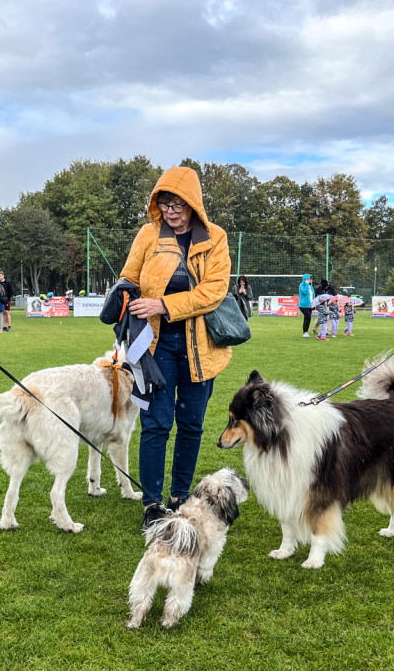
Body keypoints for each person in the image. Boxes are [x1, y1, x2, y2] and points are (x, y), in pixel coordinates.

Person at [119, 166, 232, 531]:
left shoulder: (215, 238)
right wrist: (126, 297)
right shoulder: (148, 235)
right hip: (155, 345)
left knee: (191, 425)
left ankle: (180, 498)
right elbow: (129, 277)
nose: (170, 210)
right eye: (164, 203)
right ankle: (152, 504)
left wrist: (164, 305)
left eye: (178, 203)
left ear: (193, 203)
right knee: (155, 424)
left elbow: (214, 291)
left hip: (201, 345)